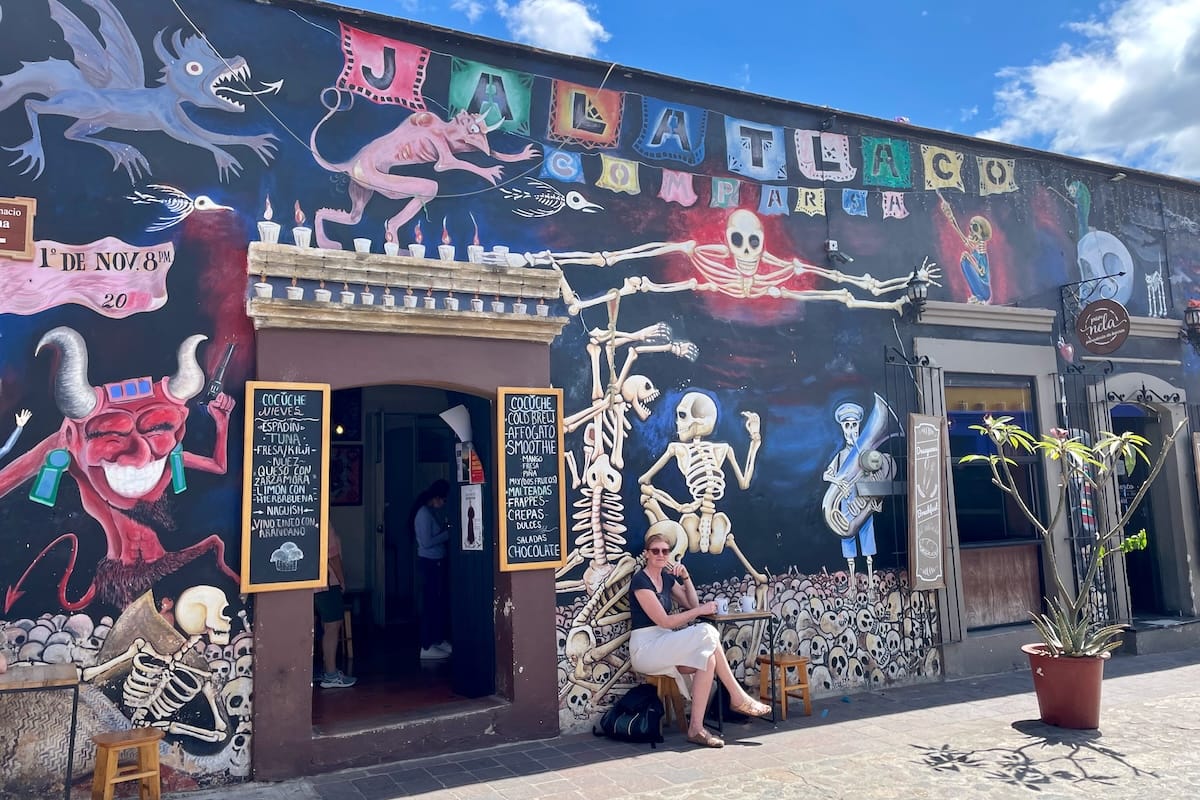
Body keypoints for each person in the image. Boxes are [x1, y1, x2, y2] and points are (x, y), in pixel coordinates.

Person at [628, 531, 770, 748]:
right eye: (655, 551)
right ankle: (737, 697)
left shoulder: (666, 579)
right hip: (646, 647)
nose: (660, 555)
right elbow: (665, 621)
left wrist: (686, 578)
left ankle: (696, 728)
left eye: (665, 551)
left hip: (665, 643)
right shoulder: (641, 581)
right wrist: (700, 611)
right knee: (706, 630)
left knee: (709, 659)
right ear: (646, 554)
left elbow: (691, 604)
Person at [413, 479, 452, 660]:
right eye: (443, 500)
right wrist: (447, 534)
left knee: (437, 603)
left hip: (436, 561)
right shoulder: (423, 514)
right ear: (436, 497)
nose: (443, 503)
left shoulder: (429, 512)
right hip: (430, 563)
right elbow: (427, 542)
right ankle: (426, 645)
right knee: (430, 603)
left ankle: (437, 640)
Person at [315, 524, 356, 688]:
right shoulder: (324, 523)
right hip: (327, 581)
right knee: (332, 626)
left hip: (314, 581)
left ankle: (326, 669)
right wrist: (341, 580)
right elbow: (332, 556)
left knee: (325, 626)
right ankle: (331, 674)